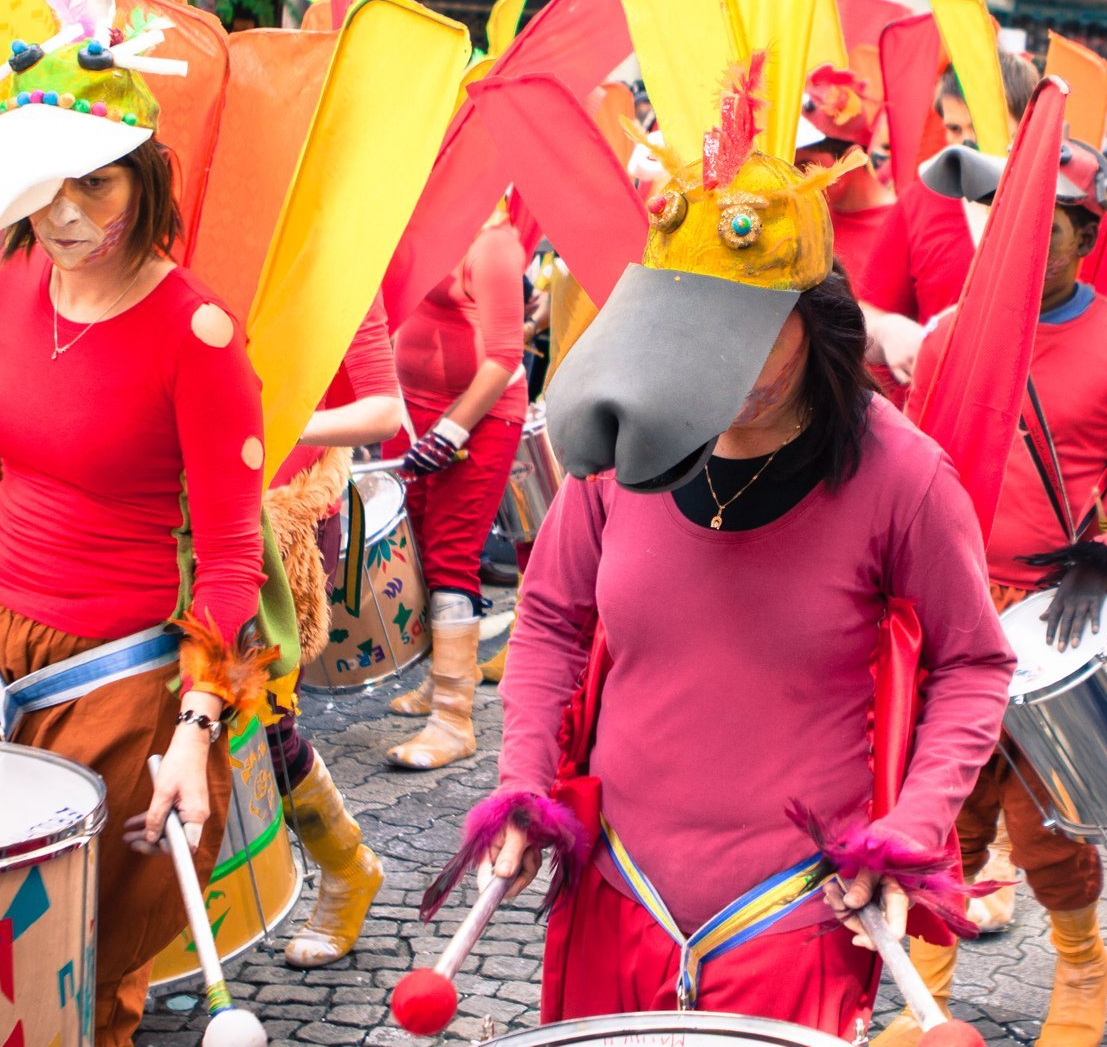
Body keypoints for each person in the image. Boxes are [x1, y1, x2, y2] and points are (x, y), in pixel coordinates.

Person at [427, 57, 1014, 1034]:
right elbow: (550, 621)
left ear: (814, 319)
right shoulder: (617, 454)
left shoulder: (905, 476)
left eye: (748, 331)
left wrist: (910, 833)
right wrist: (523, 779)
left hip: (794, 917)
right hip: (614, 897)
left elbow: (974, 662)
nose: (718, 364)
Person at [0, 13, 282, 1046]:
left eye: (92, 182)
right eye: (42, 185)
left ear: (145, 177)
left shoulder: (200, 332)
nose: (64, 214)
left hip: (120, 688)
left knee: (81, 974)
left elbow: (232, 551)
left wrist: (197, 726)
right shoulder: (8, 285)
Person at [892, 140, 1107, 1047]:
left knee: (1045, 832)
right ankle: (932, 997)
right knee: (944, 810)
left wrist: (1106, 557)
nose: (1029, 246)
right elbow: (912, 470)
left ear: (1086, 234)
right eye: (1013, 227)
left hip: (1059, 620)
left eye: (1053, 230)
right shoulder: (952, 331)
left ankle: (1080, 968)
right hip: (955, 606)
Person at [262, 297, 400, 967]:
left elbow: (382, 410)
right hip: (170, 512)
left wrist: (275, 426)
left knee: (262, 717)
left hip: (280, 516)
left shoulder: (337, 256)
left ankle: (345, 867)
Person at [384, 198, 528, 770]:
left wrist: (449, 430)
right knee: (413, 548)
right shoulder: (415, 226)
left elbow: (504, 355)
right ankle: (442, 677)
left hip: (479, 416)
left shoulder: (494, 241)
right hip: (409, 411)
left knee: (451, 554)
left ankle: (453, 718)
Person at [857, 53, 1040, 395]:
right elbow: (865, 319)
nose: (966, 143)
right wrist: (888, 330)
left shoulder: (1060, 211)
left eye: (980, 128)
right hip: (937, 410)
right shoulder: (920, 202)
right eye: (955, 129)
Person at [797, 62, 895, 286]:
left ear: (851, 159)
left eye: (806, 167)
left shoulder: (900, 224)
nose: (795, 180)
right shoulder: (805, 219)